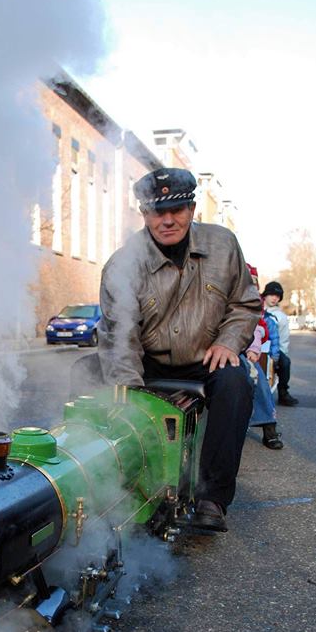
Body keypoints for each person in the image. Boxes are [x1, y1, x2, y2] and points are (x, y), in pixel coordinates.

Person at [98, 167, 261, 533]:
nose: (168, 220)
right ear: (144, 214)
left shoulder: (223, 244)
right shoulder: (122, 264)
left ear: (192, 208)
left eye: (177, 210)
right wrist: (129, 398)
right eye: (158, 212)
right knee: (87, 375)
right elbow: (119, 337)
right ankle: (103, 477)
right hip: (147, 362)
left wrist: (228, 341)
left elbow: (244, 305)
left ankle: (212, 497)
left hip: (207, 358)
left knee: (236, 382)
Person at [245, 317, 283, 449]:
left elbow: (257, 328)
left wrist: (253, 349)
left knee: (259, 379)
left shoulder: (264, 318)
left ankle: (269, 426)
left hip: (242, 347)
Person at [261, 281, 298, 406]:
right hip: (258, 344)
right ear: (265, 295)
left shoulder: (281, 316)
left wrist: (281, 354)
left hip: (274, 346)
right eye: (271, 294)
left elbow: (283, 339)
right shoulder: (256, 308)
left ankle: (283, 392)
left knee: (285, 363)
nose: (274, 298)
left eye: (277, 296)